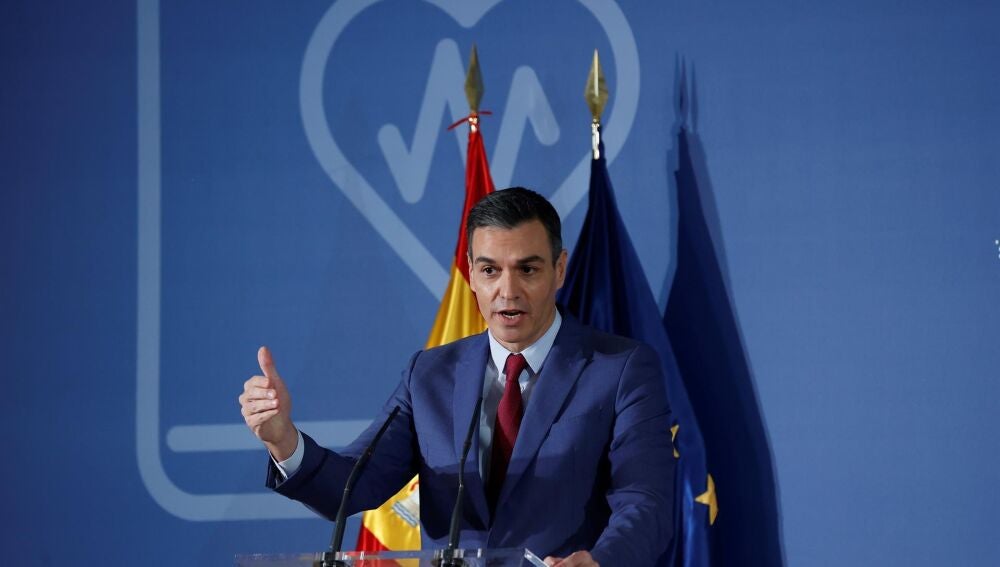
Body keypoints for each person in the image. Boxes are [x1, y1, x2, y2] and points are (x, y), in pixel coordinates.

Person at [240, 187, 675, 566]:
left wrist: (601, 562)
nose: (508, 291)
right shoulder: (430, 375)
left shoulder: (620, 370)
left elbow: (646, 501)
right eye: (490, 270)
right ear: (470, 273)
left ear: (559, 269)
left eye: (527, 269)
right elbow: (353, 484)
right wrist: (283, 440)